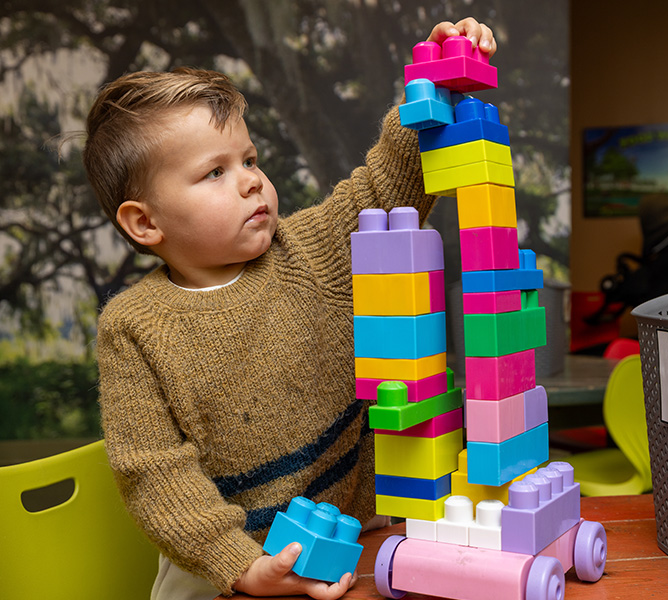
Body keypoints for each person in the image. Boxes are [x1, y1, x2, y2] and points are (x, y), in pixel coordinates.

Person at [83, 18, 496, 600]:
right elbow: (155, 474)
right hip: (222, 572)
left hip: (351, 545)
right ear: (145, 222)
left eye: (249, 160)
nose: (251, 182)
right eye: (215, 172)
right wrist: (244, 568)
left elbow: (383, 188)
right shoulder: (134, 327)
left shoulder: (306, 250)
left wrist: (438, 86)